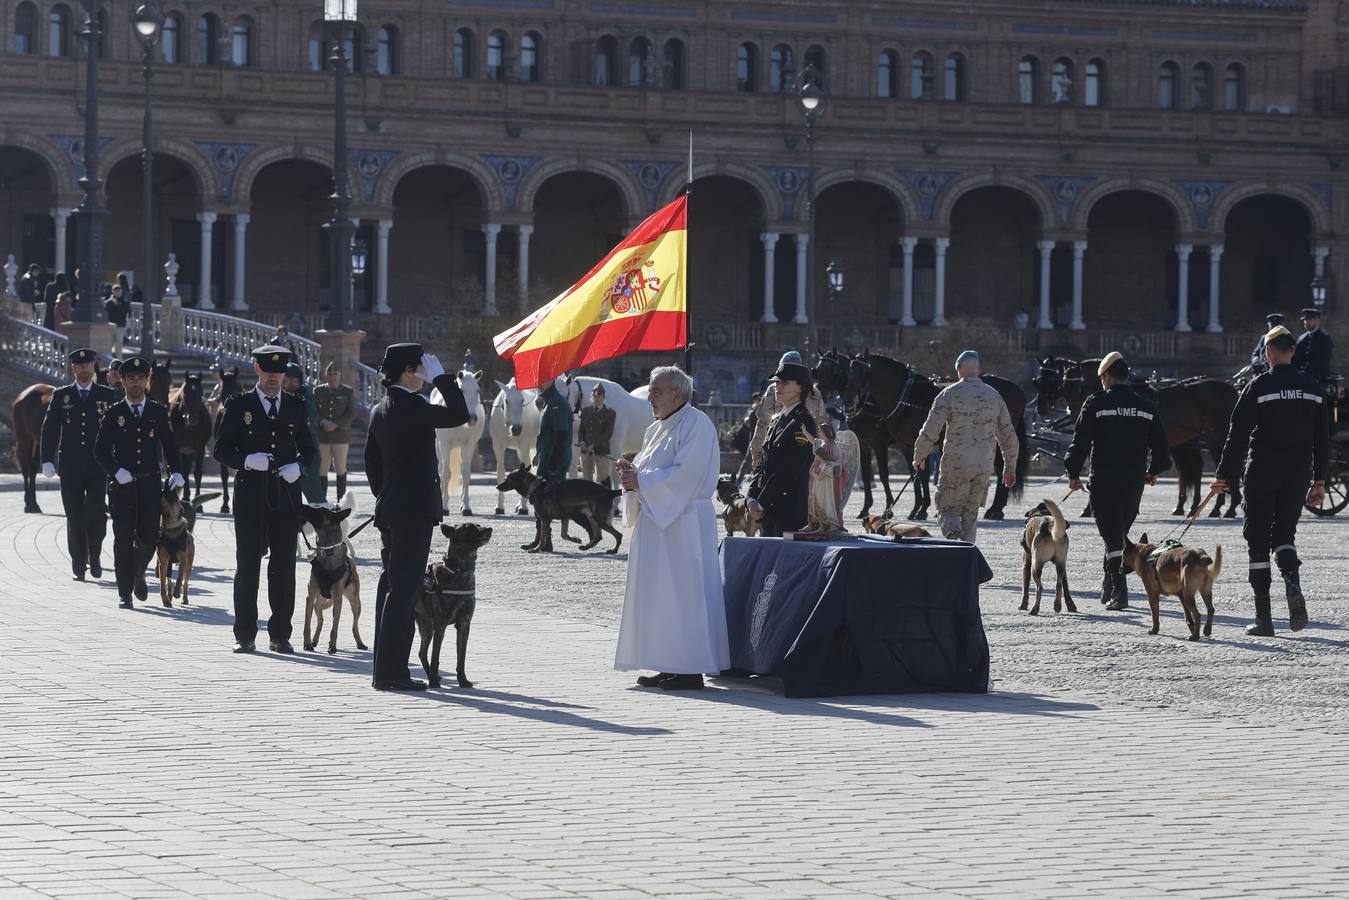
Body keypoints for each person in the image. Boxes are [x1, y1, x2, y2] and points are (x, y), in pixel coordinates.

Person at [614, 366, 729, 691]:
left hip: (684, 525)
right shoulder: (656, 429)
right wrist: (633, 472)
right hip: (658, 520)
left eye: (656, 391)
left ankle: (689, 667)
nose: (650, 397)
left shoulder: (696, 424)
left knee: (684, 594)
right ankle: (668, 662)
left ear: (677, 393)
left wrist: (643, 480)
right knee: (661, 596)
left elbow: (687, 474)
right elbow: (655, 469)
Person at [364, 343, 469, 691]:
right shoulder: (413, 406)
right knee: (405, 590)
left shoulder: (380, 409)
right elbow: (459, 414)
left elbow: (372, 464)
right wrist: (443, 380)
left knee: (391, 585)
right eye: (421, 369)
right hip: (412, 511)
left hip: (392, 508)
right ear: (408, 372)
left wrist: (387, 494)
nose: (424, 375)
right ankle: (392, 673)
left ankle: (384, 665)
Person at [1215, 325, 1329, 636]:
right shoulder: (1313, 389)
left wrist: (1223, 475)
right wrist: (1319, 481)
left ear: (1268, 352)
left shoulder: (1258, 386)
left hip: (1262, 471)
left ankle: (1264, 619)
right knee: (1284, 536)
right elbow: (1322, 440)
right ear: (1293, 350)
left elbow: (1236, 436)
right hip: (1296, 474)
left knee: (1257, 543)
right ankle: (1292, 582)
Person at [212, 345, 317, 653]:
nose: (273, 379)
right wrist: (246, 460)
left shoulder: (296, 407)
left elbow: (310, 449)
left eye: (279, 373)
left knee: (284, 567)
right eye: (268, 372)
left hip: (285, 495)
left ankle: (280, 634)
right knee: (247, 566)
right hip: (250, 495)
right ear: (257, 369)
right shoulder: (238, 405)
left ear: (285, 373)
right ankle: (244, 633)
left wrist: (299, 467)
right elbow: (220, 450)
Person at [1064, 351, 1172, 610]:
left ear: (1108, 377)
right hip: (1133, 481)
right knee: (1118, 532)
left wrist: (1073, 472)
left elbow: (1080, 441)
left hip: (1104, 478)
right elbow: (1161, 447)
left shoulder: (1096, 403)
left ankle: (1119, 591)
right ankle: (1108, 584)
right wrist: (1153, 470)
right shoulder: (1146, 406)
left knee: (1113, 537)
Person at [94, 356, 184, 608]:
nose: (135, 383)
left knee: (148, 536)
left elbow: (170, 445)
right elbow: (100, 450)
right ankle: (124, 593)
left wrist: (177, 471)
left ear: (146, 380)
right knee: (122, 539)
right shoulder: (114, 413)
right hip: (123, 486)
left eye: (140, 378)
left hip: (149, 485)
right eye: (130, 378)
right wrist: (115, 471)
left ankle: (137, 572)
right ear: (122, 381)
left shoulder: (157, 411)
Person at [912, 350, 1019, 544]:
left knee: (946, 511)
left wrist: (919, 456)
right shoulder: (994, 396)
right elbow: (1009, 436)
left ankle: (954, 539)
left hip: (956, 464)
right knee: (970, 516)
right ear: (978, 370)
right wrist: (1009, 469)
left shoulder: (949, 394)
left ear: (959, 370)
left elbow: (930, 429)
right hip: (983, 467)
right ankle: (966, 552)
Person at [40, 348, 119, 581]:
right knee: (74, 517)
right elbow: (50, 429)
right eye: (79, 366)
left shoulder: (106, 395)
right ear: (72, 368)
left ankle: (94, 555)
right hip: (70, 466)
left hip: (98, 466)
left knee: (97, 514)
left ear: (93, 368)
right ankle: (78, 560)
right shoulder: (61, 395)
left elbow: (118, 431)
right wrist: (47, 459)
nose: (84, 370)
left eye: (88, 366)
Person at [746, 361, 818, 536]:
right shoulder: (777, 419)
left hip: (790, 513)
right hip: (768, 511)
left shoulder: (803, 422)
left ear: (801, 387)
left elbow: (790, 469)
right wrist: (751, 496)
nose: (778, 387)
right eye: (777, 382)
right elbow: (762, 463)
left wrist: (761, 502)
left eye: (784, 383)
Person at [748, 351, 828, 470]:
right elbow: (821, 426)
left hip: (778, 451)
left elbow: (763, 424)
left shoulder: (773, 390)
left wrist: (756, 455)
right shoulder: (814, 392)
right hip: (804, 452)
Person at [314, 361, 357, 502]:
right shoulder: (319, 390)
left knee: (340, 468)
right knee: (322, 468)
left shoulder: (347, 391)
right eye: (330, 373)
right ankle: (321, 500)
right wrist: (323, 421)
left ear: (340, 375)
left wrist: (336, 424)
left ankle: (341, 500)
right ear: (325, 375)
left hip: (340, 436)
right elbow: (313, 411)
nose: (332, 376)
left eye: (335, 373)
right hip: (323, 435)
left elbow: (351, 413)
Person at [283, 362, 325, 505]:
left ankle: (331, 525)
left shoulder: (304, 401)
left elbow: (308, 428)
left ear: (295, 381)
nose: (281, 384)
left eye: (284, 380)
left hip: (307, 457)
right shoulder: (292, 397)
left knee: (315, 501)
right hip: (295, 456)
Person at [534, 379, 573, 483]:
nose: (538, 383)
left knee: (550, 497)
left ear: (550, 380)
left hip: (553, 462)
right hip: (547, 457)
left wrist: (553, 465)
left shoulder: (556, 402)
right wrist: (538, 453)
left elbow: (561, 437)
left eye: (542, 378)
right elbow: (546, 432)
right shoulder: (549, 401)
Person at [577, 383, 616, 486]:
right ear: (592, 396)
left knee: (603, 478)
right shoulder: (585, 411)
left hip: (602, 450)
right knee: (587, 479)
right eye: (595, 396)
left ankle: (607, 500)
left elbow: (608, 434)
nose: (597, 398)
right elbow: (581, 431)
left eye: (599, 396)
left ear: (604, 397)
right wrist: (581, 442)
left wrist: (593, 445)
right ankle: (588, 501)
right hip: (586, 451)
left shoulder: (610, 413)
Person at [1293, 307, 1334, 390]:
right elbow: (1296, 359)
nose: (1306, 322)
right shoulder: (1302, 338)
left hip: (1319, 379)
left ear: (1317, 320)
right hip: (1302, 378)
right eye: (1305, 320)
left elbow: (1323, 362)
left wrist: (1308, 375)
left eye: (1309, 320)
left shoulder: (1324, 338)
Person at [104, 279, 130, 357]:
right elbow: (106, 312)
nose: (117, 292)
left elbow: (126, 312)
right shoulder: (109, 302)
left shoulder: (124, 301)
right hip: (110, 326)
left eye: (119, 290)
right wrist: (112, 304)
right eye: (116, 290)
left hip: (120, 326)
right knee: (109, 345)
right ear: (113, 291)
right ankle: (108, 361)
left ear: (121, 291)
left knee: (118, 345)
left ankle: (119, 361)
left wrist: (117, 305)